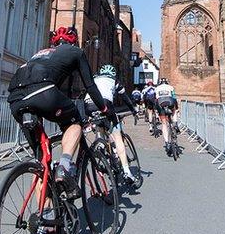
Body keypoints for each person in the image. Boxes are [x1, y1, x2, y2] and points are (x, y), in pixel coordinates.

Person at [8, 26, 110, 192]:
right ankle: (64, 166)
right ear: (74, 41)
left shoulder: (41, 53)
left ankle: (45, 213)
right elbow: (90, 86)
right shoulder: (76, 52)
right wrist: (105, 108)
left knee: (42, 162)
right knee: (75, 123)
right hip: (43, 91)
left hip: (15, 98)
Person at [84, 65, 137, 183]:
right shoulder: (114, 80)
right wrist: (133, 110)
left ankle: (101, 149)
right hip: (105, 104)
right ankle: (127, 172)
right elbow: (125, 98)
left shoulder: (94, 78)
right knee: (118, 138)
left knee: (99, 125)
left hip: (88, 105)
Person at [154, 77, 179, 155]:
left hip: (160, 103)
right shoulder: (170, 87)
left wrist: (156, 110)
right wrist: (177, 108)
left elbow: (155, 99)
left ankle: (167, 143)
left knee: (164, 124)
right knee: (175, 110)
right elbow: (174, 97)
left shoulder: (157, 88)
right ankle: (175, 122)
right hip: (170, 101)